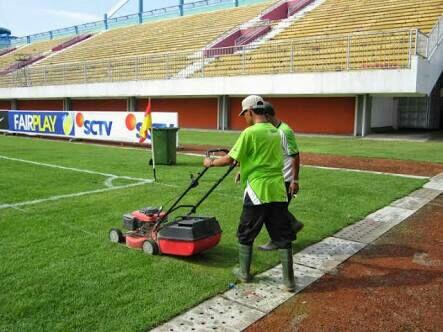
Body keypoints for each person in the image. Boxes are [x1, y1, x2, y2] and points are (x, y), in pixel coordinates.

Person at [203, 95, 296, 292]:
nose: (244, 117)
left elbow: (229, 159)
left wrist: (210, 162)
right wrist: (243, 168)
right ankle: (289, 281)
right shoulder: (277, 131)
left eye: (244, 113)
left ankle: (244, 273)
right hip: (278, 190)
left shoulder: (250, 133)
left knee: (246, 232)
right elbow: (261, 157)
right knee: (282, 234)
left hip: (257, 191)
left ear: (250, 112)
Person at [258, 101, 304, 251]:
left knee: (273, 212)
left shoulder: (284, 131)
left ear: (267, 115)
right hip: (275, 178)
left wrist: (294, 180)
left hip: (285, 179)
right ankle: (292, 225)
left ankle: (278, 240)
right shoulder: (272, 130)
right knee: (276, 210)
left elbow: (295, 156)